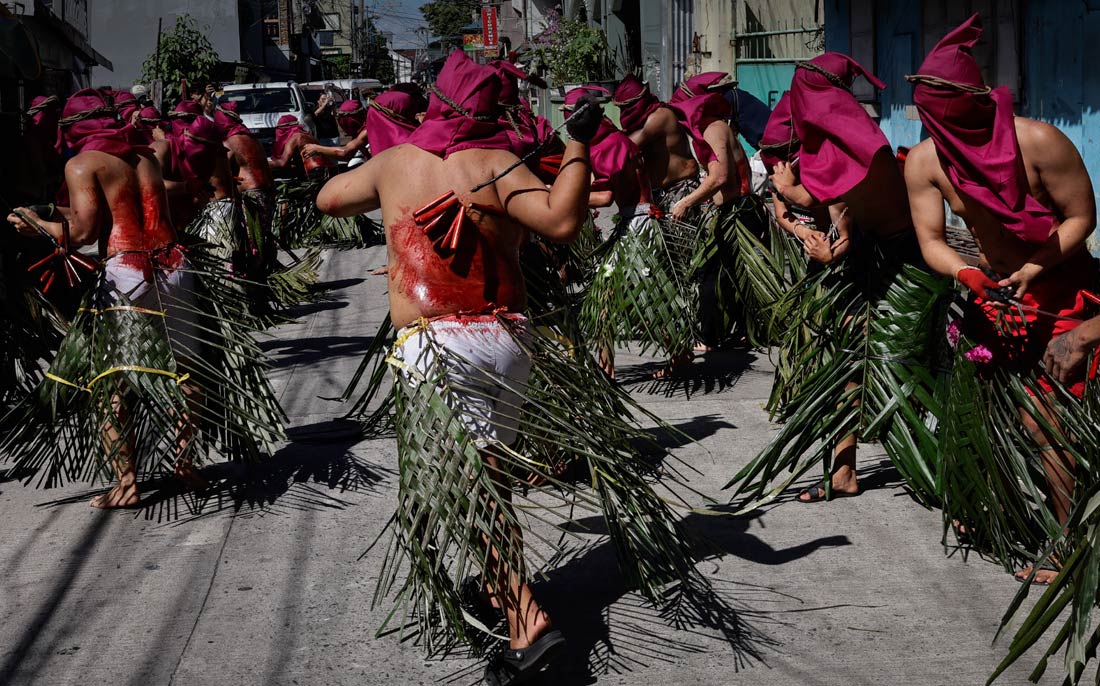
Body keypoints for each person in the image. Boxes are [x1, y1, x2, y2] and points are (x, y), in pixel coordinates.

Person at [316, 51, 703, 686]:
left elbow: (329, 199)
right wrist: (578, 145)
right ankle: (503, 591)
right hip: (505, 338)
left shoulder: (396, 165)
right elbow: (565, 221)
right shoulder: (496, 163)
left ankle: (528, 622)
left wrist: (382, 164)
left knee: (466, 490)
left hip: (435, 349)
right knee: (487, 478)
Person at [3, 89, 283, 509]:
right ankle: (186, 465)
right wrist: (50, 213)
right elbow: (130, 209)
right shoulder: (144, 158)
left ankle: (127, 484)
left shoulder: (82, 164)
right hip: (175, 266)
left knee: (112, 383)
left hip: (128, 274)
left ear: (72, 130)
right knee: (186, 370)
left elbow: (80, 235)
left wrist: (36, 225)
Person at [905, 14, 1098, 582]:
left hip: (1057, 292)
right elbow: (932, 242)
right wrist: (968, 277)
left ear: (980, 101)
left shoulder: (1038, 141)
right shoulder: (924, 161)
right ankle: (1007, 513)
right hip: (992, 299)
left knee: (1050, 424)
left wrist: (1036, 266)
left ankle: (1067, 546)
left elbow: (1081, 217)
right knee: (991, 418)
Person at [728, 52, 948, 509]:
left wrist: (792, 195)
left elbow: (835, 211)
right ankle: (844, 470)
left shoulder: (859, 146)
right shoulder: (829, 144)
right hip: (867, 253)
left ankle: (943, 480)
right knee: (847, 363)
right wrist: (813, 223)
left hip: (904, 262)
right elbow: (840, 218)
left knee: (898, 367)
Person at [613, 74, 699, 208]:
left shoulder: (660, 116)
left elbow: (625, 147)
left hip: (681, 189)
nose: (623, 112)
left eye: (627, 107)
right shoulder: (642, 121)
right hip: (660, 193)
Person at [269, 114, 332, 180]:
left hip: (315, 174)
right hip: (324, 170)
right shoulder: (307, 135)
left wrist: (263, 164)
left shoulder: (296, 137)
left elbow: (282, 162)